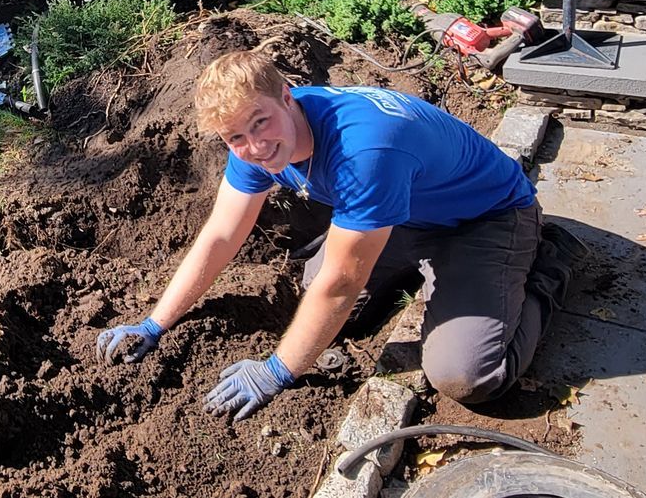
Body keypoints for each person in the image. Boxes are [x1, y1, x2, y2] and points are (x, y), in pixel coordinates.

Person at [96, 50, 583, 420]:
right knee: (321, 306)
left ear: (288, 95)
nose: (256, 146)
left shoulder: (364, 149)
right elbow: (221, 234)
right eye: (235, 138)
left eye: (260, 122)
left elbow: (341, 283)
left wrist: (276, 372)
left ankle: (544, 264)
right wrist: (154, 324)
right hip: (407, 214)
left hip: (487, 218)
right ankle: (438, 278)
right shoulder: (251, 145)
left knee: (466, 376)